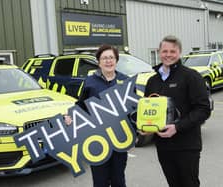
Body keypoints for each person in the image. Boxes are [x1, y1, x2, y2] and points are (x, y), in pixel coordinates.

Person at [144, 35, 211, 187]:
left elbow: (203, 109)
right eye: (165, 51)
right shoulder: (152, 81)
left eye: (172, 51)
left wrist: (177, 127)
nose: (168, 55)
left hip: (187, 145)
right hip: (163, 146)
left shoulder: (191, 76)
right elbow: (148, 110)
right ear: (159, 52)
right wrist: (146, 127)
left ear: (179, 52)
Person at [65, 44, 129, 187]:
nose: (108, 61)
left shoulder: (125, 81)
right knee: (100, 181)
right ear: (99, 62)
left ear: (116, 60)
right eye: (104, 58)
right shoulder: (90, 82)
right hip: (96, 141)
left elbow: (133, 109)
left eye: (111, 57)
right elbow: (80, 105)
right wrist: (70, 115)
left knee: (119, 180)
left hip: (119, 139)